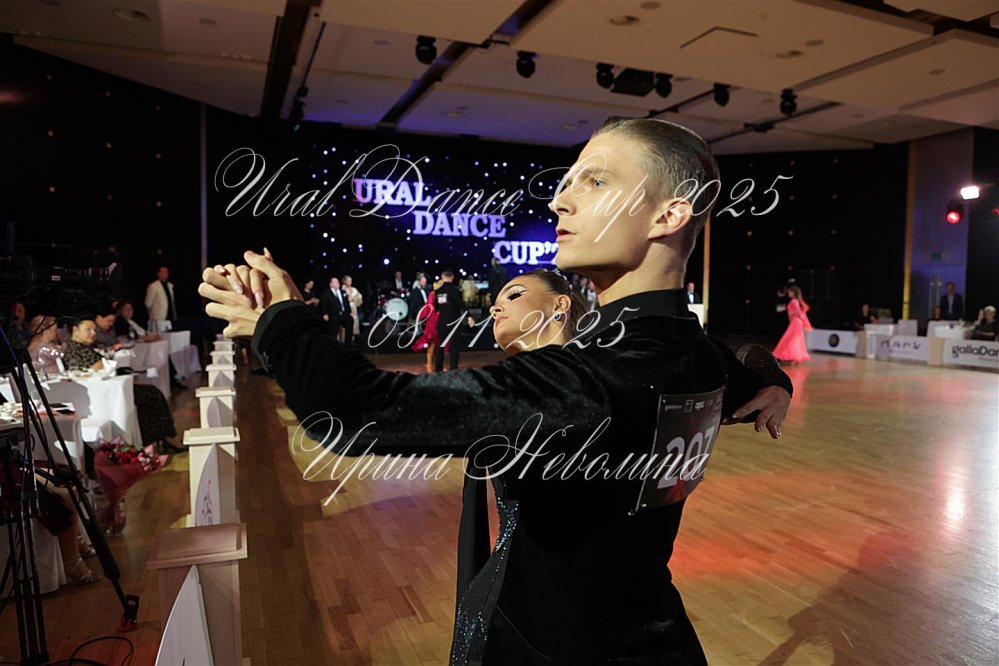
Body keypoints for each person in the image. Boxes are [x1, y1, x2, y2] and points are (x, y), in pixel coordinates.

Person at [200, 117, 794, 665]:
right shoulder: (692, 352)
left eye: (596, 180)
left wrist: (284, 320)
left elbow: (358, 409)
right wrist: (777, 381)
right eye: (567, 182)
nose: (560, 199)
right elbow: (744, 359)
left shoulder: (599, 376)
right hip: (650, 637)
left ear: (669, 215)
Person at [64, 319, 179, 451]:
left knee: (149, 393)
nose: (93, 333)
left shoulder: (83, 348)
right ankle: (158, 439)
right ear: (75, 330)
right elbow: (98, 367)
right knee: (151, 394)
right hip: (103, 394)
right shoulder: (76, 350)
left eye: (94, 330)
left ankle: (157, 439)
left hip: (108, 388)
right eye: (88, 330)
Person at [433, 270, 464, 371]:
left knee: (440, 347)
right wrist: (469, 316)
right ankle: (453, 369)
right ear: (452, 277)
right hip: (453, 322)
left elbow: (436, 307)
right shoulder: (454, 290)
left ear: (442, 277)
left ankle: (438, 369)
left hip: (442, 322)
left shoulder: (438, 291)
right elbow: (461, 304)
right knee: (454, 348)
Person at [773, 285, 812, 364]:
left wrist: (795, 315)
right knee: (795, 339)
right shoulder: (796, 301)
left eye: (790, 292)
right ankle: (793, 357)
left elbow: (799, 312)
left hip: (796, 322)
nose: (788, 293)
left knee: (791, 339)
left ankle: (791, 356)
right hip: (796, 322)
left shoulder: (794, 301)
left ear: (793, 293)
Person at [144, 266, 178, 331]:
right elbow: (147, 303)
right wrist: (153, 315)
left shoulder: (170, 285)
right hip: (159, 318)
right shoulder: (153, 286)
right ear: (159, 274)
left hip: (170, 317)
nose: (166, 273)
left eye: (167, 272)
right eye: (164, 272)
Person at [319, 277, 352, 343]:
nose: (337, 283)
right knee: (333, 329)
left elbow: (346, 303)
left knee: (350, 322)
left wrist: (349, 311)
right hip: (333, 314)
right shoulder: (326, 293)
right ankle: (333, 343)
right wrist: (325, 313)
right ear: (330, 284)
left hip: (344, 314)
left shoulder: (342, 292)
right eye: (335, 282)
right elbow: (323, 304)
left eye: (338, 282)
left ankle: (348, 343)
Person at [342, 275, 363, 344]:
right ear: (344, 281)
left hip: (353, 308)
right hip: (345, 309)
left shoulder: (354, 289)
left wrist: (355, 299)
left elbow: (359, 297)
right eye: (348, 280)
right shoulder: (342, 289)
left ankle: (352, 340)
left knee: (354, 324)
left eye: (350, 280)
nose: (350, 282)